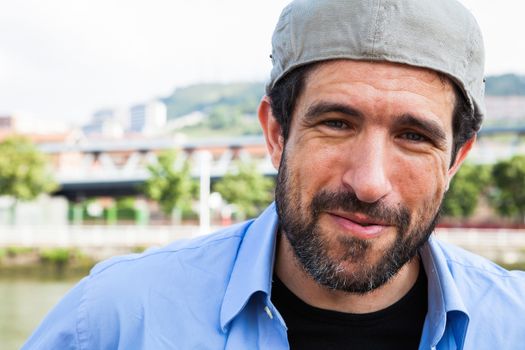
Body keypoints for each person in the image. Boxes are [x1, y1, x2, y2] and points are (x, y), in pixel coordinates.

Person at [24, 0, 525, 349]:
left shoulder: (514, 325)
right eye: (336, 123)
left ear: (456, 159)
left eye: (414, 136)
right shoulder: (114, 320)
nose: (369, 182)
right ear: (276, 133)